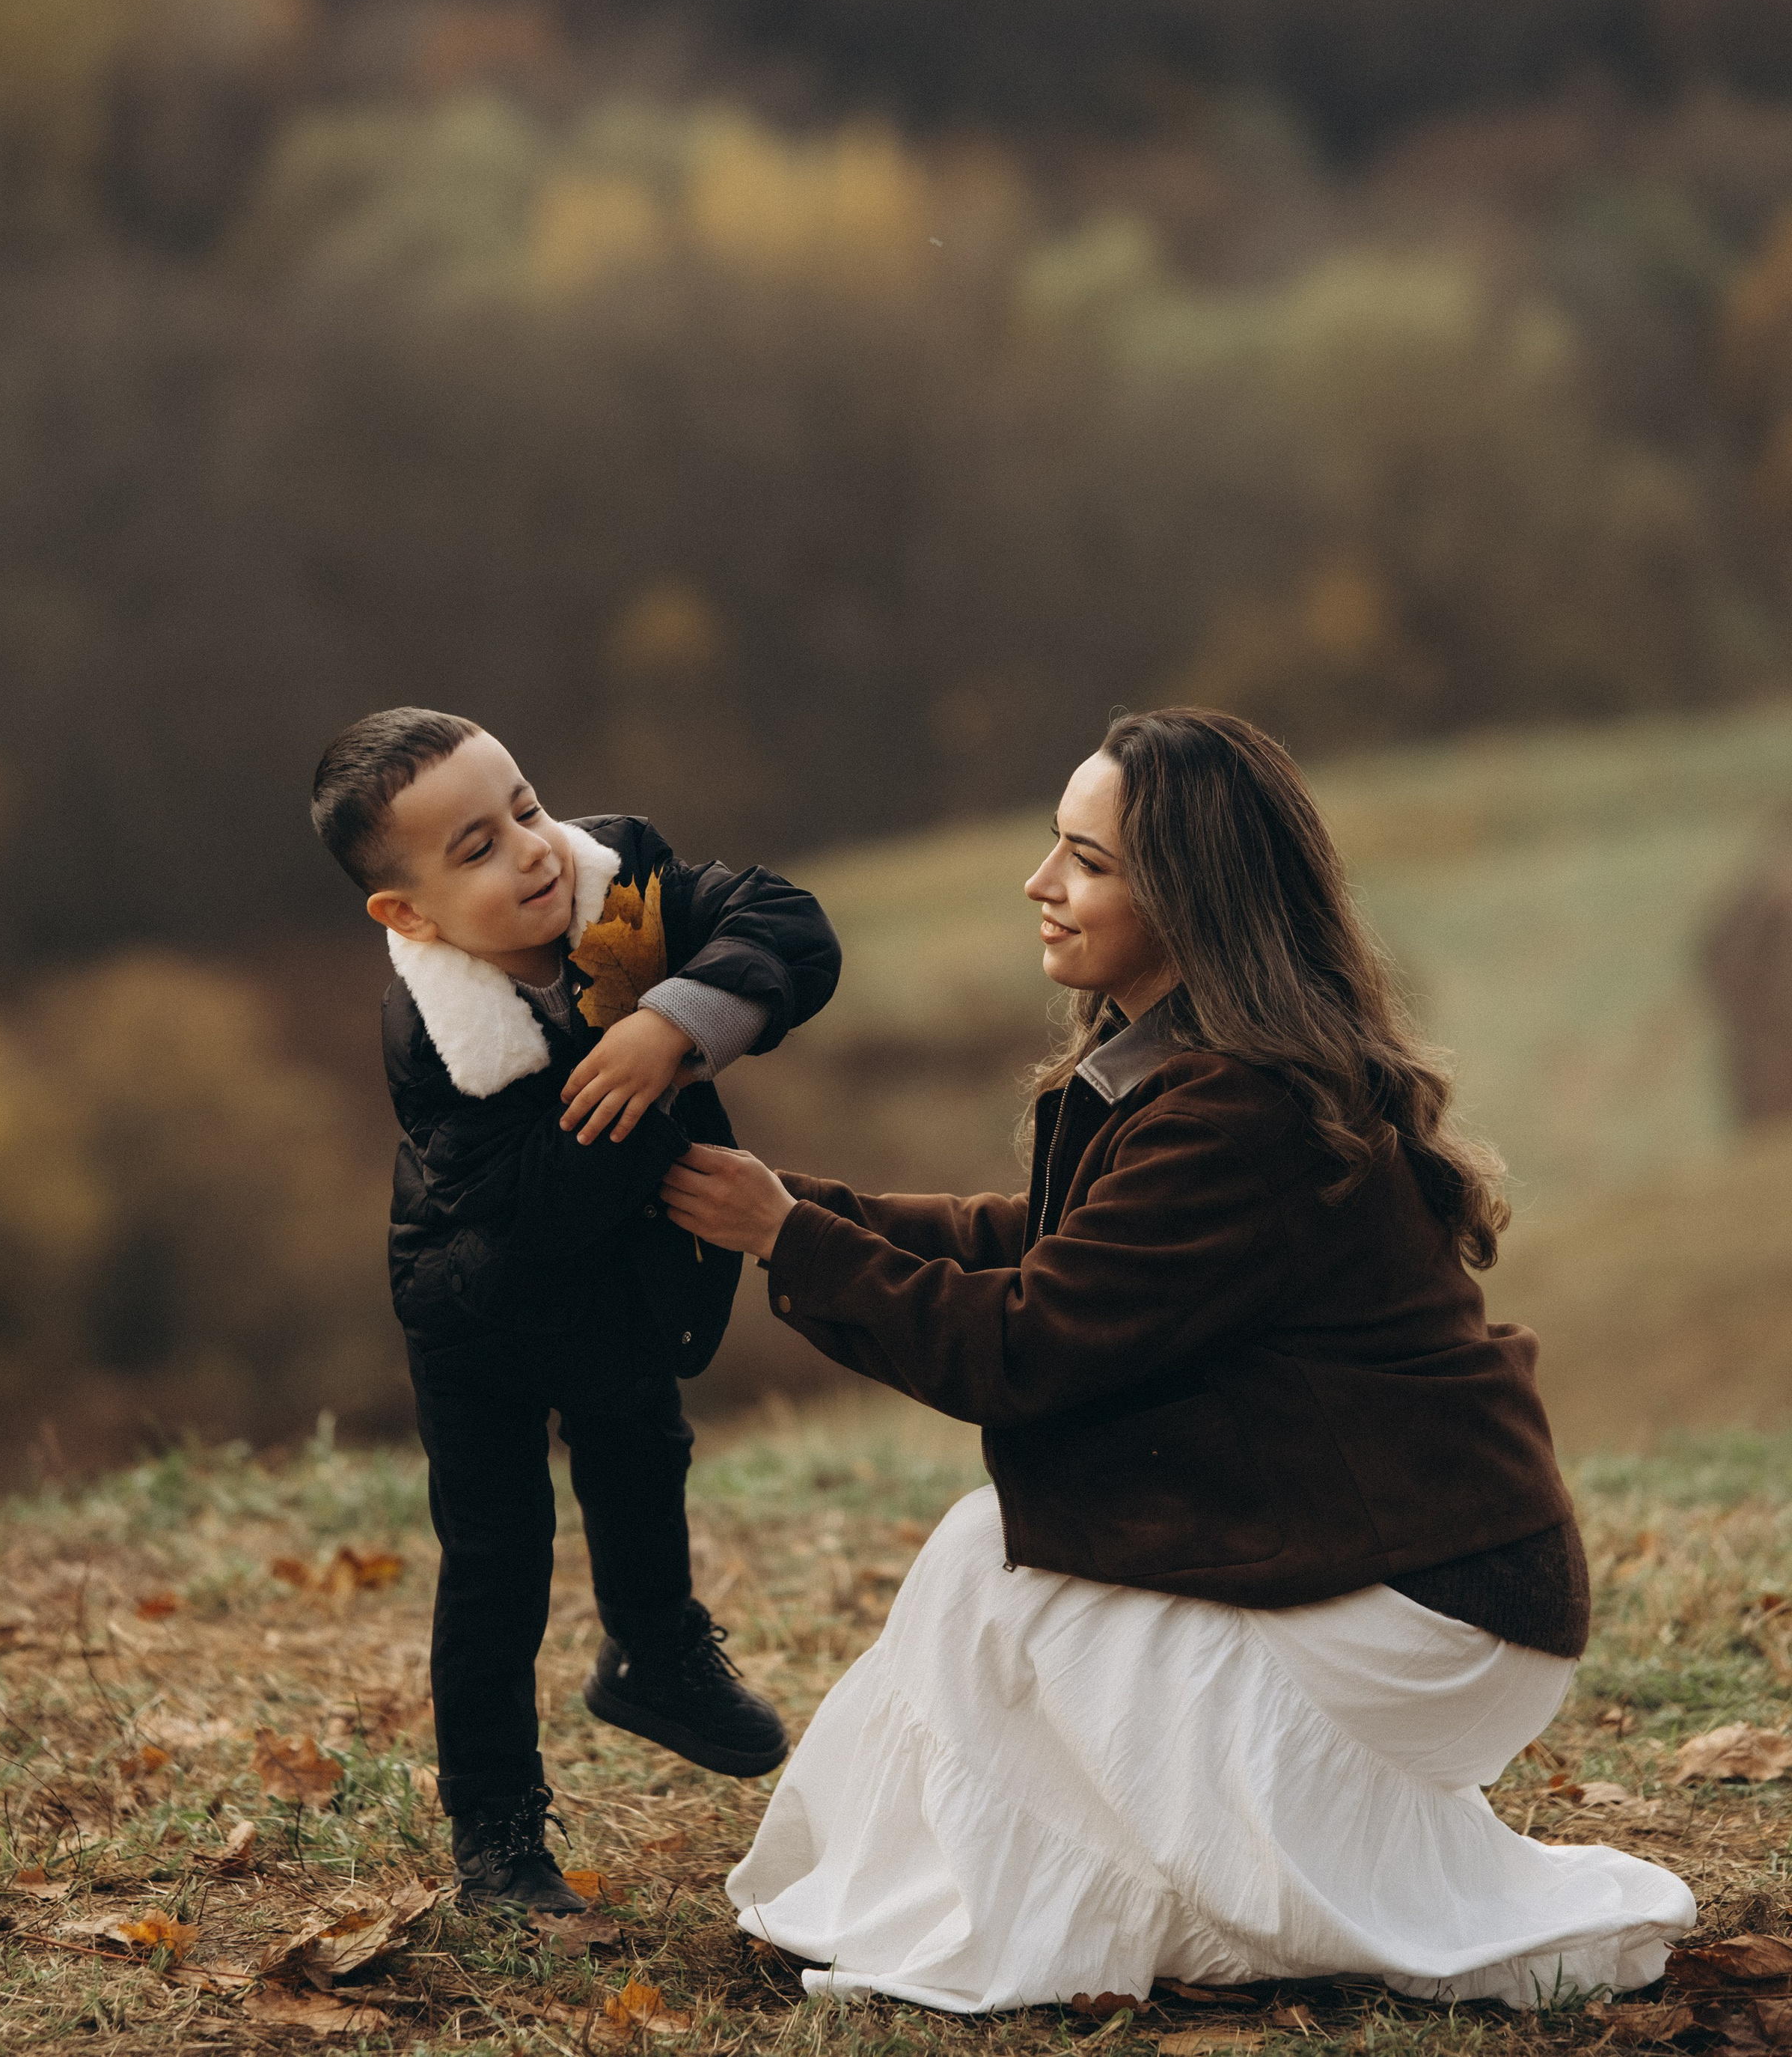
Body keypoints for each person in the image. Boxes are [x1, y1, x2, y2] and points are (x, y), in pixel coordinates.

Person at [660, 706, 1695, 2014]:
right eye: (1056, 845)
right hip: (1374, 1562)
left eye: (1087, 861)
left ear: (1192, 897)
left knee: (1002, 1576)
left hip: (1437, 1613)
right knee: (992, 1560)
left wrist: (788, 1238)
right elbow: (1046, 1248)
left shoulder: (1241, 1109)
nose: (1041, 883)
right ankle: (967, 1909)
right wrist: (788, 1208)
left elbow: (1024, 1345)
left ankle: (1007, 1928)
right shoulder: (1182, 1066)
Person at [310, 707, 840, 1916]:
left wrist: (675, 1022)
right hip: (477, 1307)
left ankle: (654, 1653)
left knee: (643, 1452)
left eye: (526, 809)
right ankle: (496, 1828)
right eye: (477, 850)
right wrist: (651, 1089)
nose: (532, 851)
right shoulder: (432, 1038)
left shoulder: (624, 881)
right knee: (497, 1557)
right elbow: (539, 1207)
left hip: (617, 1282)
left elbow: (788, 924)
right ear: (408, 914)